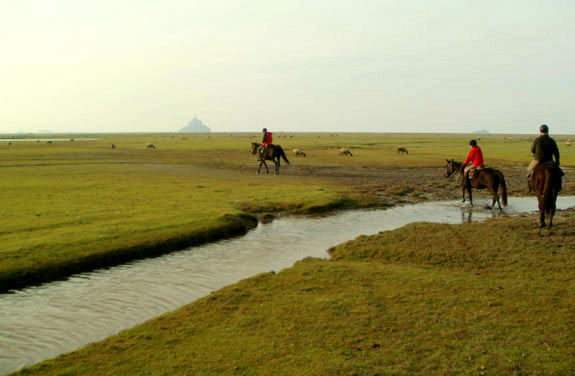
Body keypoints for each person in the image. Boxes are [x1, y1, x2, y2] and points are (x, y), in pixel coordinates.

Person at [528, 124, 563, 192]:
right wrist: (557, 162)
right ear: (547, 131)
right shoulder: (551, 140)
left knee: (529, 171)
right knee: (560, 173)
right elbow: (556, 152)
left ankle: (530, 187)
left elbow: (532, 150)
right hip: (549, 161)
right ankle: (559, 187)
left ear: (540, 131)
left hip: (538, 160)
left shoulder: (537, 140)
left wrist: (536, 154)